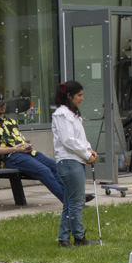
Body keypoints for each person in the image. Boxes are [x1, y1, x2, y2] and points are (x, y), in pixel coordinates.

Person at [0, 91, 65, 203]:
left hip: (26, 153)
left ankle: (72, 198)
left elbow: (19, 139)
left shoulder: (10, 121)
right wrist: (14, 149)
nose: (3, 106)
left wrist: (26, 145)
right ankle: (68, 202)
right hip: (10, 157)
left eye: (4, 103)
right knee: (44, 171)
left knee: (55, 166)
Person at [51, 81, 97, 248]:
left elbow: (80, 138)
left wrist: (89, 149)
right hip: (69, 162)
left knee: (70, 202)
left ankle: (64, 238)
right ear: (69, 96)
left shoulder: (72, 114)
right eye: (79, 95)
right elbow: (68, 140)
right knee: (76, 202)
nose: (82, 98)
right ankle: (78, 237)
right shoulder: (62, 114)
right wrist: (86, 154)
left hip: (75, 160)